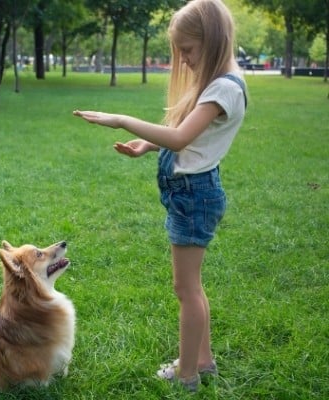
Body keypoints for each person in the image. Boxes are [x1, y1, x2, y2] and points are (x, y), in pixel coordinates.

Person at [73, 0, 247, 392]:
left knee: (186, 290)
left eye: (187, 49)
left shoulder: (224, 87)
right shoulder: (218, 83)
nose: (183, 59)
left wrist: (120, 119)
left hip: (194, 195)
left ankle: (188, 375)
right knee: (191, 287)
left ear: (213, 40)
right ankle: (203, 361)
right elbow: (190, 140)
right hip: (189, 192)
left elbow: (182, 137)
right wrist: (147, 145)